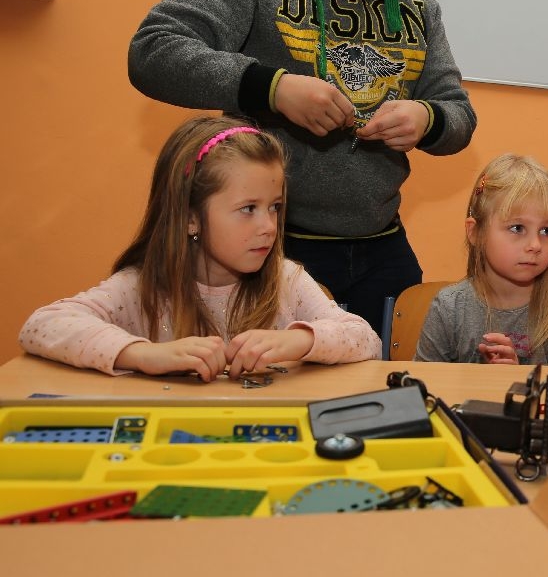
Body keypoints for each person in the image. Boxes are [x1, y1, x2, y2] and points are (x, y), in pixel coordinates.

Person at [128, 0, 476, 333]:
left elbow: (459, 114)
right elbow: (153, 51)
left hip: (383, 250)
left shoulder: (419, 8)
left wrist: (428, 120)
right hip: (267, 246)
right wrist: (273, 89)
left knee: (381, 392)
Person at [19, 116, 381, 380]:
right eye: (248, 209)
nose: (269, 226)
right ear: (190, 217)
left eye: (275, 207)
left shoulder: (286, 279)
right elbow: (43, 325)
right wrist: (143, 354)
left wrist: (301, 340)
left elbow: (366, 340)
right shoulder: (141, 286)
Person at [415, 154, 548, 364]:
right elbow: (423, 390)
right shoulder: (449, 308)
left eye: (546, 230)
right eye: (517, 228)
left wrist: (517, 381)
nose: (535, 245)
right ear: (475, 233)